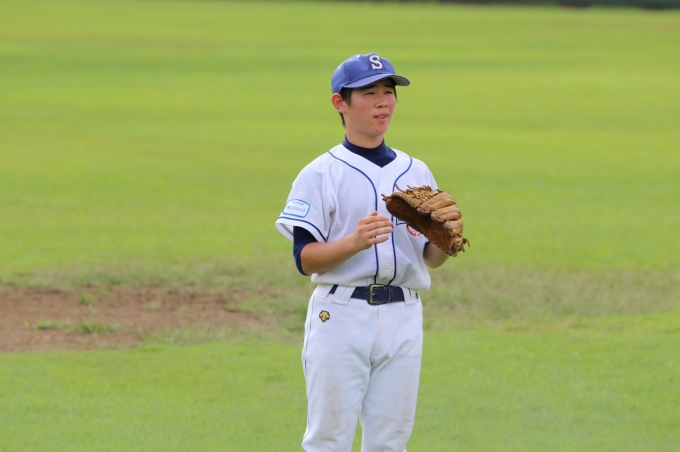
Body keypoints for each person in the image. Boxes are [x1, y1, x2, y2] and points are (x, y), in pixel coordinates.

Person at [275, 52, 460, 452]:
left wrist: (445, 241)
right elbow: (303, 258)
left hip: (404, 316)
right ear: (339, 103)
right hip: (340, 314)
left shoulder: (416, 171)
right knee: (328, 439)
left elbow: (429, 259)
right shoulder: (320, 173)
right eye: (369, 93)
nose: (383, 102)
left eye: (389, 92)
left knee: (391, 442)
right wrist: (353, 243)